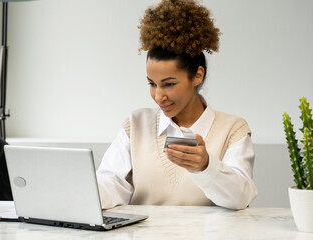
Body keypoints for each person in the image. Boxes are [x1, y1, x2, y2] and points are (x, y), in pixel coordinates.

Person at [96, 0, 257, 210]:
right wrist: (78, 192)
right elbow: (111, 183)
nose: (159, 96)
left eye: (169, 84)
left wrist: (206, 167)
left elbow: (240, 198)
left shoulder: (232, 129)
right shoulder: (135, 125)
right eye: (152, 84)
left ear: (198, 75)